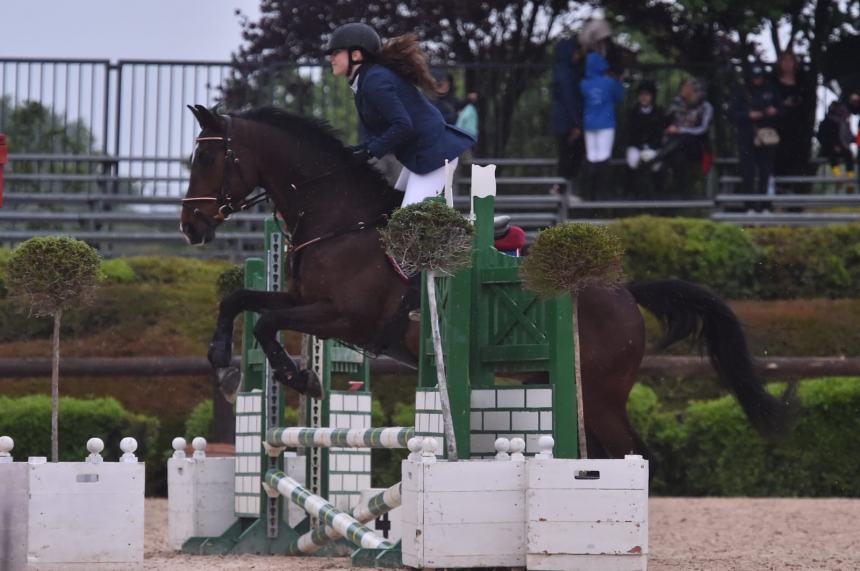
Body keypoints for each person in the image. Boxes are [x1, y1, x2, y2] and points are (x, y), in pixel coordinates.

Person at [326, 23, 476, 206]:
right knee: (392, 211)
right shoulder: (366, 82)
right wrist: (355, 151)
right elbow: (382, 132)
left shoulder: (374, 80)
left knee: (407, 223)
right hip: (420, 157)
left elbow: (403, 125)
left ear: (356, 54)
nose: (330, 58)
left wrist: (369, 152)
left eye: (335, 53)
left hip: (434, 155)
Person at [650, 77, 713, 197]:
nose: (682, 89)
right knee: (677, 157)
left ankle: (657, 158)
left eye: (686, 87)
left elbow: (702, 129)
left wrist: (681, 130)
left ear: (694, 90)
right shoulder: (676, 103)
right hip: (676, 146)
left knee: (683, 137)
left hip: (696, 144)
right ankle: (682, 194)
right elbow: (664, 122)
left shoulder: (706, 107)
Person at [729, 63, 781, 202]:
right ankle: (749, 206)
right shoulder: (740, 91)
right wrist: (748, 115)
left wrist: (774, 112)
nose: (757, 80)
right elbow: (732, 113)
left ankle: (765, 205)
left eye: (760, 77)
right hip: (747, 135)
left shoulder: (771, 89)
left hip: (767, 135)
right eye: (755, 77)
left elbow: (781, 110)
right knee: (748, 172)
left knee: (766, 171)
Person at [579, 50, 624, 200]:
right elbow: (620, 97)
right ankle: (603, 195)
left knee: (592, 156)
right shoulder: (609, 82)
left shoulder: (584, 84)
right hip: (606, 123)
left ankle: (588, 194)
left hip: (589, 123)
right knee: (603, 157)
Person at [773, 51, 814, 185]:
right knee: (779, 160)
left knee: (798, 160)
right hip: (778, 129)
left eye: (790, 61)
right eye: (784, 61)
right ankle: (780, 190)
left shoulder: (802, 83)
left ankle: (796, 193)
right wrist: (782, 105)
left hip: (798, 130)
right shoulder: (772, 83)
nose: (788, 64)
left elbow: (809, 104)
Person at [550, 36, 585, 193]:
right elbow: (569, 99)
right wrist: (576, 123)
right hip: (567, 123)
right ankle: (561, 188)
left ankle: (562, 187)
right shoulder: (566, 73)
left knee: (568, 155)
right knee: (568, 156)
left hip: (565, 121)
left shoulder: (564, 71)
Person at [625, 79, 665, 198]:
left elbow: (659, 134)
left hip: (654, 147)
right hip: (636, 146)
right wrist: (640, 147)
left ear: (652, 96)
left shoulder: (659, 112)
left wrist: (651, 147)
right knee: (632, 161)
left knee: (656, 164)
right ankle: (632, 194)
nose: (643, 98)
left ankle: (656, 194)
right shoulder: (633, 113)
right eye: (641, 95)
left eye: (646, 95)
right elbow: (630, 134)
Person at [816, 102, 856, 187]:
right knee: (833, 155)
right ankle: (837, 176)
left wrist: (854, 140)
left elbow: (849, 136)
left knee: (849, 155)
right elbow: (821, 136)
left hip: (842, 148)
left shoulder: (844, 123)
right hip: (830, 148)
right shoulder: (827, 122)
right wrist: (832, 145)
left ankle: (850, 180)